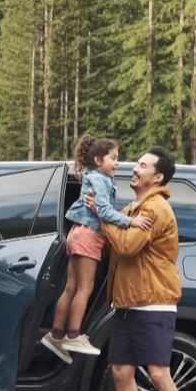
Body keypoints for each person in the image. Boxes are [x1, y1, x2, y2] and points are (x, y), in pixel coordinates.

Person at [89, 146, 189, 391]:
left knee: (159, 373)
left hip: (153, 303)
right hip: (127, 303)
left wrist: (102, 215)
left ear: (157, 177)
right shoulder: (135, 209)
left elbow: (127, 246)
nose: (134, 168)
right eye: (136, 164)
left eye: (142, 166)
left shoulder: (155, 209)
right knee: (121, 372)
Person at [42, 135, 152, 363]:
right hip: (89, 236)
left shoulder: (92, 176)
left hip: (77, 233)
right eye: (114, 158)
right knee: (85, 287)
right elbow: (104, 211)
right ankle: (73, 335)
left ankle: (56, 335)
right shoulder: (100, 180)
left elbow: (102, 209)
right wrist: (132, 221)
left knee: (70, 288)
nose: (117, 163)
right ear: (98, 160)